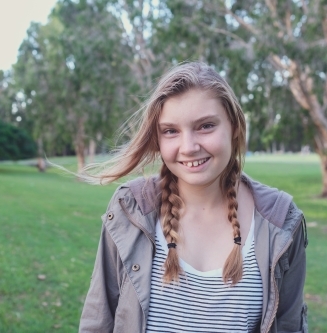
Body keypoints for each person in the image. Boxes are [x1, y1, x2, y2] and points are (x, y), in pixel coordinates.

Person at [79, 62, 308, 333]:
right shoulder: (131, 208)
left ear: (234, 126)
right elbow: (98, 322)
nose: (189, 147)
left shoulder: (280, 221)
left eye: (206, 126)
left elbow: (290, 326)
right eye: (171, 131)